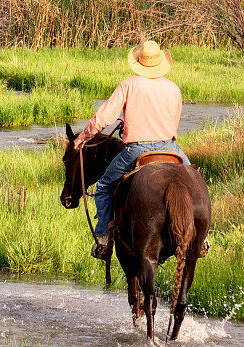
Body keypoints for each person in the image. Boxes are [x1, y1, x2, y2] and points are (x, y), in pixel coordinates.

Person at [73, 40, 191, 260]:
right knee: (194, 180)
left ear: (139, 62)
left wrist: (83, 138)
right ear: (160, 63)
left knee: (104, 187)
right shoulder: (173, 88)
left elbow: (104, 117)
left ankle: (102, 240)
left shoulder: (129, 84)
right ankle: (201, 239)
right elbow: (174, 123)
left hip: (137, 150)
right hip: (170, 147)